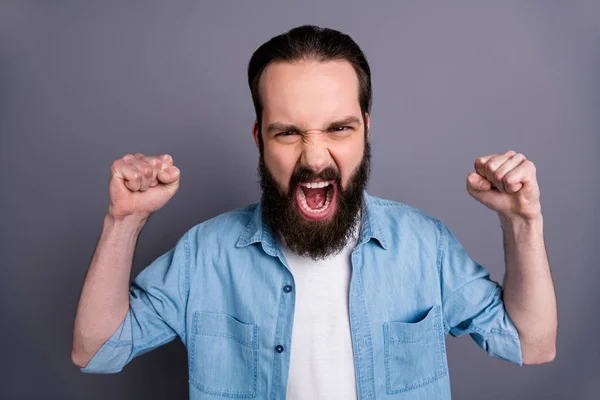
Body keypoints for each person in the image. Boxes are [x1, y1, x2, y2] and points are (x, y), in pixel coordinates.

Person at [71, 25, 557, 400]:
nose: (316, 158)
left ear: (366, 129)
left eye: (339, 129)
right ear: (260, 137)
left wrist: (522, 222)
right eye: (288, 133)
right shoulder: (206, 253)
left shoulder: (423, 245)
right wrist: (125, 220)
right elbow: (95, 350)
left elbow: (532, 343)